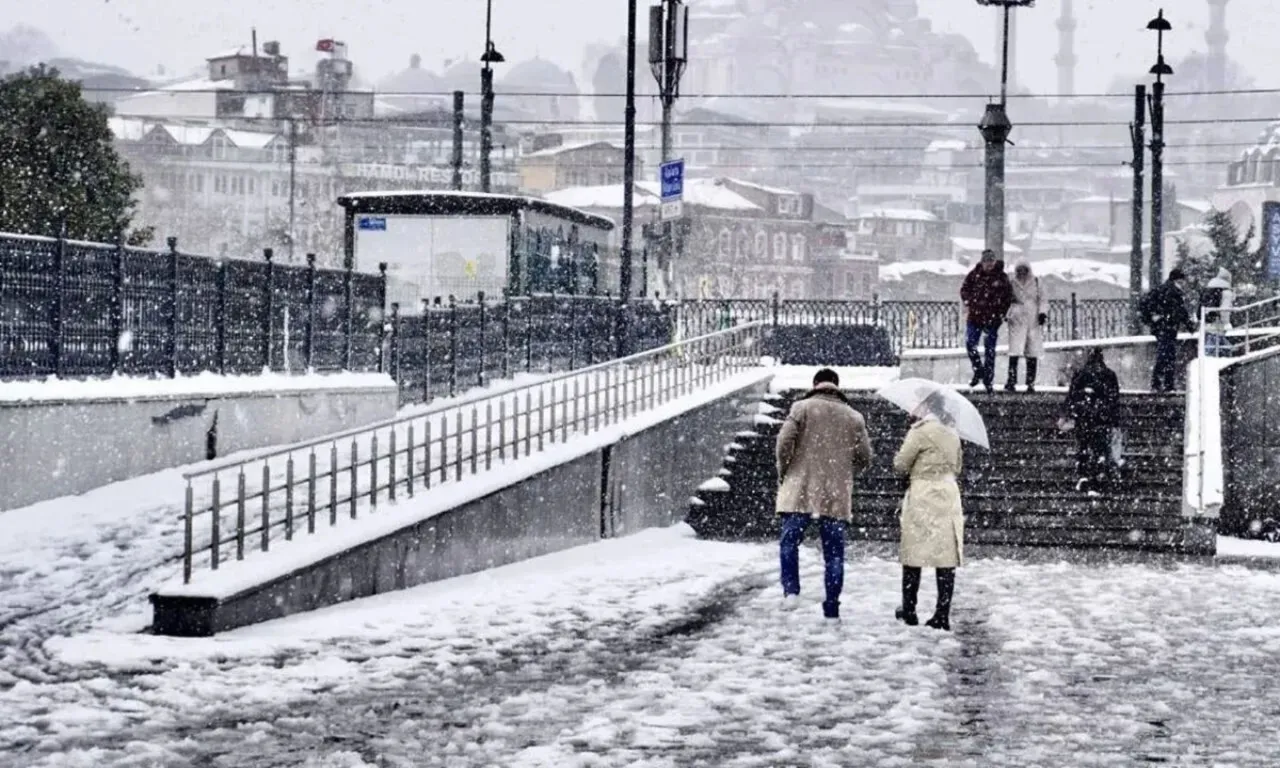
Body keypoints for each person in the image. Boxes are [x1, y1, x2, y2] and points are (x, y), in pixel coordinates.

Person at [775, 368, 874, 621]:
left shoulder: (801, 408)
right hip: (835, 493)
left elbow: (783, 443)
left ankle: (791, 591)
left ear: (815, 384)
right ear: (837, 386)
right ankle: (832, 606)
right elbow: (865, 457)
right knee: (834, 553)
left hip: (801, 488)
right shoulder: (854, 417)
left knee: (789, 542)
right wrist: (844, 472)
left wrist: (785, 470)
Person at [892, 391, 964, 632]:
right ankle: (942, 613)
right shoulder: (953, 431)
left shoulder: (920, 431)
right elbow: (958, 466)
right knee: (946, 555)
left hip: (922, 492)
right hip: (947, 492)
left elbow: (901, 464)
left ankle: (909, 609)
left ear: (925, 407)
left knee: (914, 551)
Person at [1063, 347, 1121, 493]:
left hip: (1084, 418)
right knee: (1100, 449)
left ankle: (1084, 476)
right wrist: (1113, 420)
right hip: (1101, 419)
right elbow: (1114, 400)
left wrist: (1070, 413)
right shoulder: (1109, 375)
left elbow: (1072, 397)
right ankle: (1098, 477)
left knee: (1083, 447)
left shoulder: (1081, 374)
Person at [960, 250, 1014, 394]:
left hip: (992, 319)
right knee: (970, 343)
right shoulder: (974, 274)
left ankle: (988, 380)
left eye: (991, 261)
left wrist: (1001, 314)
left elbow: (1008, 297)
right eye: (986, 262)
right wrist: (969, 301)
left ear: (994, 262)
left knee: (990, 350)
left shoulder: (1001, 277)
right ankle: (979, 371)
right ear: (982, 262)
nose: (989, 264)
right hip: (975, 317)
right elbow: (964, 289)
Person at [1139, 267, 1195, 392]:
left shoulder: (1163, 290)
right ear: (1176, 280)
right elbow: (1180, 311)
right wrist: (1189, 325)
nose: (1183, 284)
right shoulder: (1172, 292)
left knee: (1166, 355)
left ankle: (1160, 384)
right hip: (1167, 327)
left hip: (1163, 328)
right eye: (1181, 281)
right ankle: (1163, 384)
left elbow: (1144, 304)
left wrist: (1152, 319)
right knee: (1167, 356)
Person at [1005, 262, 1049, 393]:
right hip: (1017, 318)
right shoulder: (1012, 282)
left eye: (1024, 270)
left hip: (1032, 319)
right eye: (1019, 270)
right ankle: (1011, 381)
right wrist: (1007, 313)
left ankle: (1030, 383)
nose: (1022, 273)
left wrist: (1042, 313)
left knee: (1032, 352)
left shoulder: (1036, 282)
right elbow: (1006, 298)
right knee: (1014, 351)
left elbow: (1043, 299)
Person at [1200, 267, 1235, 358]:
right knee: (1212, 346)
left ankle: (1229, 354)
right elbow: (1225, 310)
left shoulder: (1210, 288)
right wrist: (1226, 323)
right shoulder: (1226, 291)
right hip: (1217, 323)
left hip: (1207, 320)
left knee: (1217, 342)